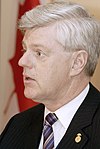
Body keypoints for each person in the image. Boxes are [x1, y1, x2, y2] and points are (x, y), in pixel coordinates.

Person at [0, 0, 100, 149]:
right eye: (24, 50)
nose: (22, 61)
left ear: (77, 63)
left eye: (39, 53)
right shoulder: (17, 125)